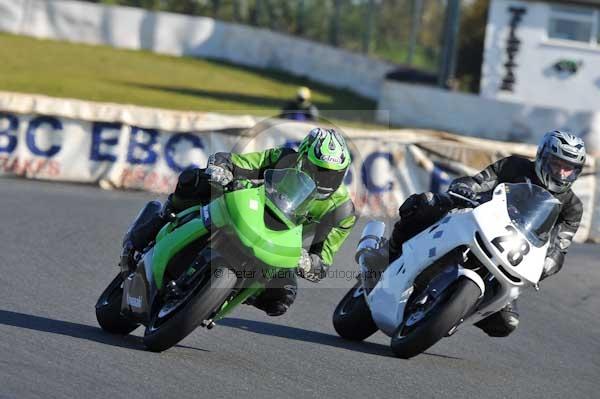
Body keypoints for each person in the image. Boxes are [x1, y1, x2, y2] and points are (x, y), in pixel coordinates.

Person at [124, 128, 356, 317]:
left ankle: (226, 295)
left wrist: (310, 263)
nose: (324, 180)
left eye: (333, 175)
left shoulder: (342, 210)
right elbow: (238, 162)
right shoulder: (282, 158)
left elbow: (323, 260)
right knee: (194, 180)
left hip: (276, 244)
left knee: (283, 297)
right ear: (301, 158)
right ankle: (156, 224)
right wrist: (223, 169)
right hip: (245, 211)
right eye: (318, 170)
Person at [374, 130, 586, 337]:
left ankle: (454, 312)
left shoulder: (572, 207)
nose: (561, 173)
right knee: (424, 203)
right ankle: (389, 253)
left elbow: (560, 245)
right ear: (542, 157)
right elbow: (481, 181)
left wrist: (549, 264)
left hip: (512, 251)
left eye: (569, 168)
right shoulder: (514, 166)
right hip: (476, 218)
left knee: (506, 323)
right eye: (557, 164)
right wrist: (467, 188)